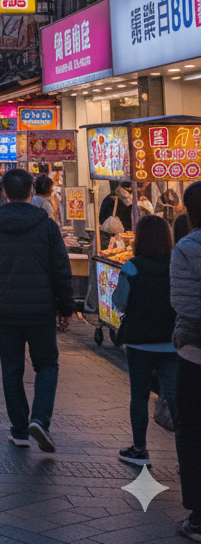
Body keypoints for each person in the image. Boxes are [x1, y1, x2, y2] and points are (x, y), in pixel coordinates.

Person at [0, 167, 75, 452]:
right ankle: (40, 419)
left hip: (5, 309)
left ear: (3, 192)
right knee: (46, 365)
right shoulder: (46, 225)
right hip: (41, 309)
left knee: (12, 369)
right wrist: (66, 307)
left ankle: (19, 429)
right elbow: (61, 269)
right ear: (32, 192)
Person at [111, 214, 178, 467]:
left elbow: (120, 301)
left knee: (138, 396)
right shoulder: (175, 264)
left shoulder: (132, 266)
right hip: (171, 341)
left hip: (139, 342)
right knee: (175, 398)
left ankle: (139, 449)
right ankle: (187, 450)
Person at [171, 182, 201, 540]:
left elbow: (182, 305)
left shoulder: (186, 248)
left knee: (192, 434)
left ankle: (197, 518)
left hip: (193, 356)